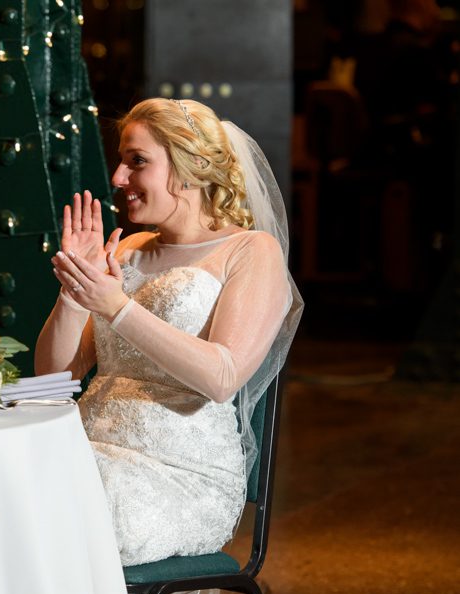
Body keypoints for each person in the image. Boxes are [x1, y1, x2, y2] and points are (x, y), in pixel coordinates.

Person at [35, 98, 302, 568]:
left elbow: (221, 378)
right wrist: (75, 292)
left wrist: (115, 306)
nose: (118, 178)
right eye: (122, 162)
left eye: (137, 162)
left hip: (182, 477)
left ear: (190, 167)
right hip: (89, 449)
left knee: (40, 507)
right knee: (1, 485)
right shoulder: (130, 248)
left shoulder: (250, 251)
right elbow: (53, 380)